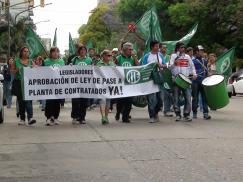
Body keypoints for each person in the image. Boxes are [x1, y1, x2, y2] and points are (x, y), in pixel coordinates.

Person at [169, 42, 197, 122]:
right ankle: (178, 114)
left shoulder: (187, 57)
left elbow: (192, 67)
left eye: (183, 47)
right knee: (176, 98)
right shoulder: (173, 56)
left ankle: (186, 114)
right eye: (181, 47)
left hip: (186, 80)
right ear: (177, 48)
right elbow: (169, 68)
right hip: (176, 80)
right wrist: (174, 63)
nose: (183, 49)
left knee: (188, 97)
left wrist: (194, 74)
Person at [10, 47, 37, 125]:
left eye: (27, 51)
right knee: (21, 101)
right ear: (21, 52)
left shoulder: (31, 61)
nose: (26, 53)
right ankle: (22, 119)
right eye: (24, 51)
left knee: (28, 100)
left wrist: (33, 68)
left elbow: (36, 69)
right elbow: (12, 71)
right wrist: (17, 70)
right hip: (19, 83)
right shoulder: (16, 61)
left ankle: (30, 118)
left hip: (28, 83)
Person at [143, 40, 167, 123]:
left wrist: (161, 65)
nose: (157, 48)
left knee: (160, 99)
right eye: (156, 46)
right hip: (150, 80)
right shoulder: (147, 56)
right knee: (151, 99)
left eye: (158, 46)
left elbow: (165, 65)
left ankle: (156, 112)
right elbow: (143, 67)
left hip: (159, 79)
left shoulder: (160, 55)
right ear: (152, 47)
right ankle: (152, 116)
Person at [115, 42, 139, 123]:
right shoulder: (119, 58)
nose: (131, 51)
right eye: (130, 49)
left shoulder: (132, 58)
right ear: (125, 50)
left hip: (129, 83)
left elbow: (139, 66)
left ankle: (125, 117)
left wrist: (134, 57)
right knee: (120, 101)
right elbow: (113, 68)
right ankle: (118, 112)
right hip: (121, 83)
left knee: (129, 101)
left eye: (132, 49)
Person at [43, 47, 65, 126]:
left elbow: (65, 72)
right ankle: (48, 118)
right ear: (51, 53)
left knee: (57, 102)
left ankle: (56, 118)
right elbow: (40, 71)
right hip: (49, 85)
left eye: (57, 52)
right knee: (49, 102)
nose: (55, 53)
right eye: (54, 52)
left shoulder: (62, 61)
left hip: (59, 85)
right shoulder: (46, 61)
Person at [71, 46, 92, 125]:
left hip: (86, 84)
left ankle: (82, 117)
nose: (83, 51)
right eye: (81, 50)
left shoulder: (89, 60)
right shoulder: (74, 60)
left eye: (84, 50)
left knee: (84, 101)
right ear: (79, 51)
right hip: (76, 84)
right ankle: (74, 116)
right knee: (75, 101)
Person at [192, 45, 211, 120]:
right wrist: (200, 70)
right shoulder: (193, 61)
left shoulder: (204, 61)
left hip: (203, 81)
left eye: (203, 51)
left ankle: (205, 113)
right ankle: (194, 113)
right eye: (201, 51)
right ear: (197, 52)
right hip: (195, 82)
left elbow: (206, 72)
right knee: (195, 98)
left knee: (204, 98)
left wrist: (208, 74)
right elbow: (191, 72)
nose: (202, 52)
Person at [97, 50, 115, 124]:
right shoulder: (99, 63)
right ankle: (103, 117)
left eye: (111, 56)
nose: (110, 57)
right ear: (103, 56)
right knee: (102, 101)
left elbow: (115, 72)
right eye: (108, 55)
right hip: (101, 86)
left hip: (109, 86)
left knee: (108, 102)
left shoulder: (112, 64)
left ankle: (106, 116)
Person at [159, 43, 174, 117]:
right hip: (160, 78)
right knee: (163, 95)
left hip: (169, 78)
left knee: (168, 95)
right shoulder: (158, 56)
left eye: (166, 48)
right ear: (160, 48)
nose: (165, 49)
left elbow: (171, 67)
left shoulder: (169, 57)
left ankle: (167, 110)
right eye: (163, 47)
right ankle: (162, 108)